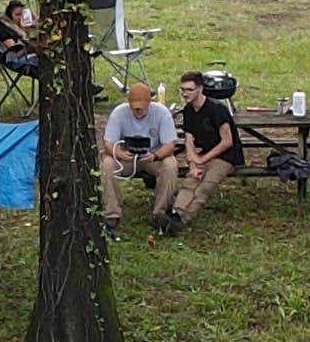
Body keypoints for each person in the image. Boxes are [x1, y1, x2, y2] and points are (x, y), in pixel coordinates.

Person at [99, 79, 182, 225]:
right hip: (127, 158)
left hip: (152, 157)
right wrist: (120, 154)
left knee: (170, 165)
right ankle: (112, 213)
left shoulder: (162, 113)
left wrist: (156, 155)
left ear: (150, 102)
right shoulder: (119, 113)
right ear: (128, 103)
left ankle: (160, 212)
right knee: (107, 164)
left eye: (141, 108)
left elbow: (170, 144)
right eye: (134, 108)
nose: (138, 111)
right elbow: (108, 143)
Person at [164, 76, 241, 230]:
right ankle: (175, 213)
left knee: (204, 187)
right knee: (190, 182)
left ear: (200, 89)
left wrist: (202, 159)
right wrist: (193, 162)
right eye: (183, 90)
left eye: (189, 90)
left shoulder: (217, 109)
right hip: (204, 154)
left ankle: (182, 220)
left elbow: (227, 141)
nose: (185, 93)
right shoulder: (188, 110)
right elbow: (189, 138)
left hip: (226, 156)